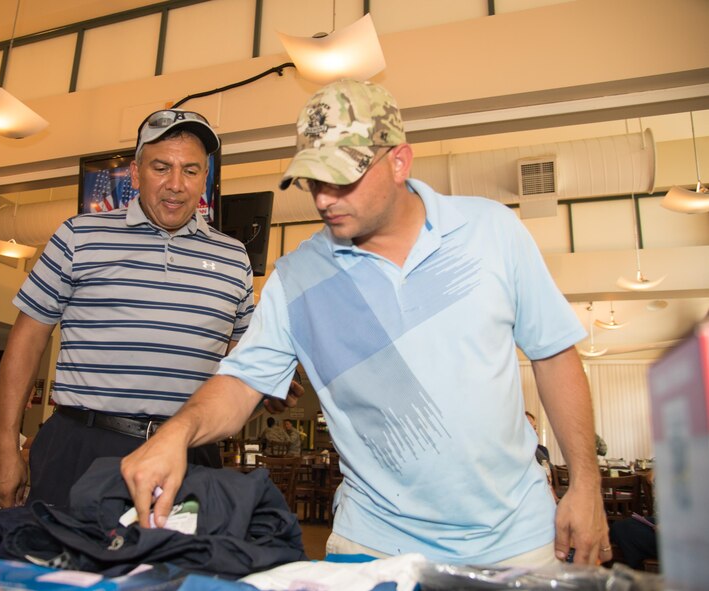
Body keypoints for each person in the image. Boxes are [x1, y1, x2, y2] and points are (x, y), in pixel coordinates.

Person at [120, 79, 609, 567]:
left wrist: (586, 484)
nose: (324, 199)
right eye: (313, 179)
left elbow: (554, 355)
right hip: (373, 545)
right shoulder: (297, 278)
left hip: (518, 541)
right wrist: (177, 433)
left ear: (399, 161)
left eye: (342, 177)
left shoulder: (491, 231)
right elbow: (241, 382)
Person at [0, 108, 255, 508]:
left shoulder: (234, 257)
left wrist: (269, 385)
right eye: (161, 167)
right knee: (61, 568)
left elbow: (242, 359)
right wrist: (5, 445)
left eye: (191, 170)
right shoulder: (78, 235)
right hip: (83, 445)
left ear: (205, 177)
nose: (176, 185)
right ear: (135, 172)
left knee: (174, 569)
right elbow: (27, 339)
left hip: (188, 453)